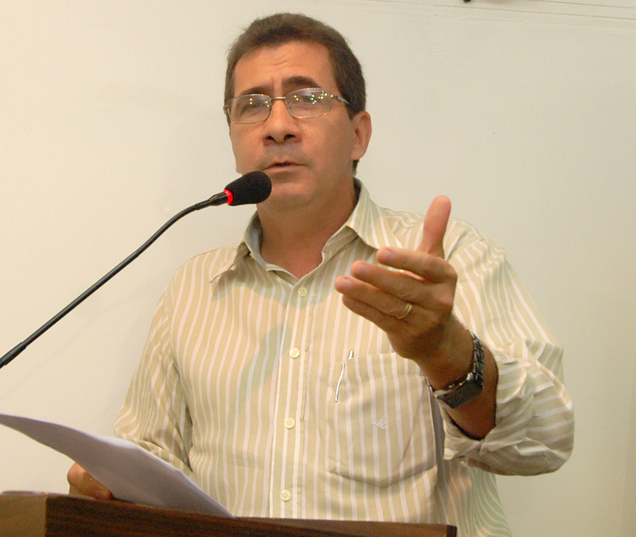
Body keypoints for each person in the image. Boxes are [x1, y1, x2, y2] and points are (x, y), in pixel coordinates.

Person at [68, 13, 573, 537]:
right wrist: (112, 484)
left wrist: (446, 353)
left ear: (358, 134)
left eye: (307, 98)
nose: (277, 126)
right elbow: (153, 455)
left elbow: (547, 439)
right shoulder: (193, 289)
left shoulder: (450, 261)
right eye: (252, 105)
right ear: (234, 138)